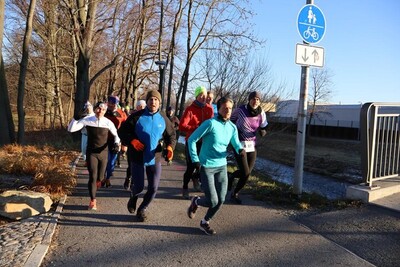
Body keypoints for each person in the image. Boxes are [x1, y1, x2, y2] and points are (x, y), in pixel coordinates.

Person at [186, 97, 244, 235]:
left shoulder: (232, 127)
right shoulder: (210, 124)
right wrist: (195, 160)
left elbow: (236, 143)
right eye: (225, 108)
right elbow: (192, 139)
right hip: (206, 166)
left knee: (221, 200)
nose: (228, 111)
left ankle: (205, 222)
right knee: (212, 200)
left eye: (230, 108)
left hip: (222, 166)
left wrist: (240, 149)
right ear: (219, 109)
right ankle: (196, 201)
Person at [118, 90, 176, 222]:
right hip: (137, 156)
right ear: (147, 101)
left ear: (159, 102)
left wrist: (170, 147)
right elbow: (121, 131)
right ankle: (133, 197)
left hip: (154, 157)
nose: (153, 102)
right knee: (138, 186)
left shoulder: (163, 118)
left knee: (153, 188)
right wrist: (132, 140)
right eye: (151, 99)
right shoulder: (136, 117)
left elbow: (171, 136)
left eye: (156, 100)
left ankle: (142, 209)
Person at [68, 101, 120, 210]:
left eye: (103, 110)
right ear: (95, 108)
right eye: (98, 108)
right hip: (91, 152)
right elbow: (71, 129)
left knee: (100, 177)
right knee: (92, 176)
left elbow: (116, 135)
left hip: (103, 153)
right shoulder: (87, 120)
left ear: (105, 111)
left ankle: (99, 181)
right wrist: (75, 118)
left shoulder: (108, 122)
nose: (100, 111)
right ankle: (92, 200)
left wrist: (116, 144)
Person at [227, 91, 268, 204]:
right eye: (253, 99)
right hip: (239, 145)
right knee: (245, 172)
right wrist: (235, 132)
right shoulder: (240, 110)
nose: (255, 101)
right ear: (249, 100)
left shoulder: (261, 113)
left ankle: (232, 180)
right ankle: (234, 192)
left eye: (258, 99)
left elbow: (263, 126)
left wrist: (262, 131)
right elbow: (229, 121)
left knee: (247, 173)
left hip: (252, 146)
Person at [179, 86, 214, 199]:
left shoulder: (209, 109)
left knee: (203, 166)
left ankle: (195, 177)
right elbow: (182, 126)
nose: (204, 97)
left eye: (205, 95)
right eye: (201, 95)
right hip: (192, 142)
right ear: (197, 96)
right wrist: (196, 127)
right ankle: (185, 187)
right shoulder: (190, 109)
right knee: (191, 166)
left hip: (205, 142)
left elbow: (212, 125)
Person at [103, 95, 127, 187]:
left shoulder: (122, 114)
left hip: (116, 140)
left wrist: (124, 143)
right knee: (104, 160)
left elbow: (126, 128)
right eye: (110, 102)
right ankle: (103, 177)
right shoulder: (103, 111)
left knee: (111, 162)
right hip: (103, 140)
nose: (111, 105)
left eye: (113, 103)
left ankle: (108, 177)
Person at [123, 99, 147, 190]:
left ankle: (134, 182)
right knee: (131, 165)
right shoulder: (132, 117)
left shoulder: (147, 117)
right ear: (136, 107)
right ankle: (128, 178)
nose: (141, 108)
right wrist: (128, 142)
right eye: (139, 106)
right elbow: (125, 131)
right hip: (132, 145)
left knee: (140, 165)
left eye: (143, 106)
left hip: (143, 146)